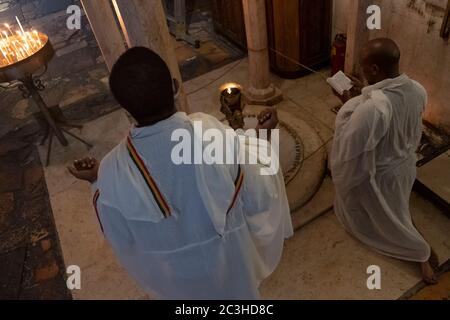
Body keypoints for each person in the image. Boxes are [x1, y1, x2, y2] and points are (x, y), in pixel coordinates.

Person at [68, 47, 293, 299]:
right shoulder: (211, 132)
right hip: (231, 269)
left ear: (126, 111)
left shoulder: (112, 169)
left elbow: (120, 237)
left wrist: (97, 180)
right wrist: (265, 137)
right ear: (176, 87)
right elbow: (260, 194)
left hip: (177, 285)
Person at [330, 38, 439, 284]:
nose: (360, 71)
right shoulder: (418, 89)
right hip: (406, 168)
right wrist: (367, 94)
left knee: (388, 220)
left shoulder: (373, 108)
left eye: (363, 67)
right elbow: (394, 124)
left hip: (380, 176)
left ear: (374, 70)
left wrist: (349, 103)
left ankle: (420, 251)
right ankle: (417, 247)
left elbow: (351, 145)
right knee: (398, 210)